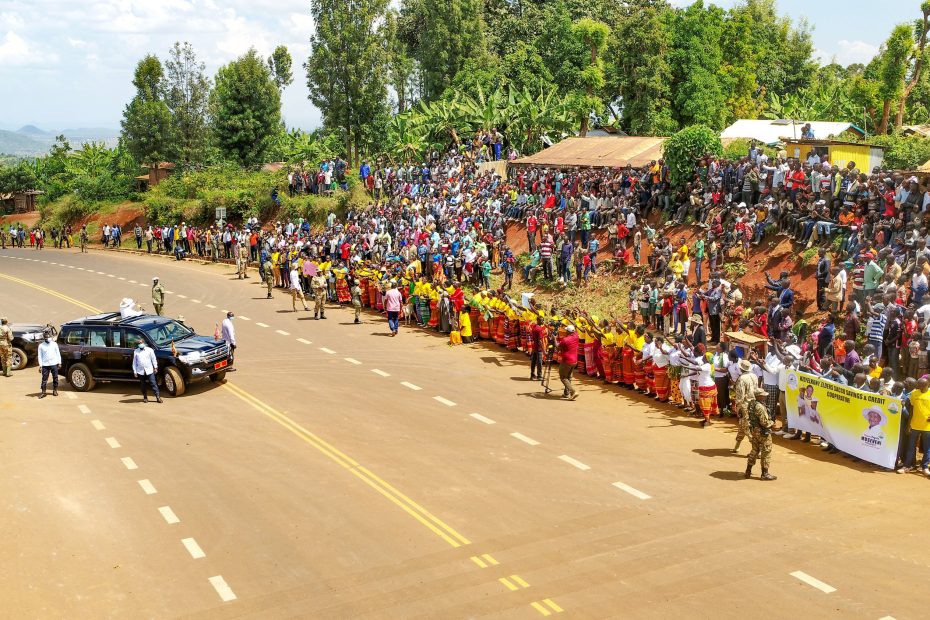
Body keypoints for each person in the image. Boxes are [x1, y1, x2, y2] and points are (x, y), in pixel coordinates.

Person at [746, 387, 776, 480]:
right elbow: (764, 423)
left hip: (754, 431)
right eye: (763, 395)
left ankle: (748, 470)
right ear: (759, 396)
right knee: (766, 451)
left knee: (754, 450)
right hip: (763, 432)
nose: (764, 396)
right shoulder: (760, 407)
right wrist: (772, 423)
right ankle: (765, 474)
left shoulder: (751, 404)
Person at [732, 358, 757, 453]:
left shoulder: (741, 379)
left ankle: (756, 449)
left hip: (745, 405)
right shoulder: (754, 376)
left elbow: (740, 395)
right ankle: (737, 446)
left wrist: (738, 408)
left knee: (747, 427)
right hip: (754, 403)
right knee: (742, 426)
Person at [558, 324, 580, 400]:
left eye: (566, 330)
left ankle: (573, 391)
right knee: (569, 377)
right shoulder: (576, 336)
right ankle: (567, 393)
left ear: (568, 332)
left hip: (567, 361)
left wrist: (554, 339)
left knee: (563, 377)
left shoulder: (565, 340)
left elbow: (558, 347)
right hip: (574, 361)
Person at [37, 330, 61, 398]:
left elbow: (58, 354)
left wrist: (59, 363)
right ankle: (43, 392)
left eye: (48, 337)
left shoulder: (54, 344)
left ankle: (55, 390)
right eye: (46, 338)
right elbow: (40, 356)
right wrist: (40, 365)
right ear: (44, 338)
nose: (48, 339)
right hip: (45, 365)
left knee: (55, 378)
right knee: (44, 379)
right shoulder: (41, 346)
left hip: (54, 364)